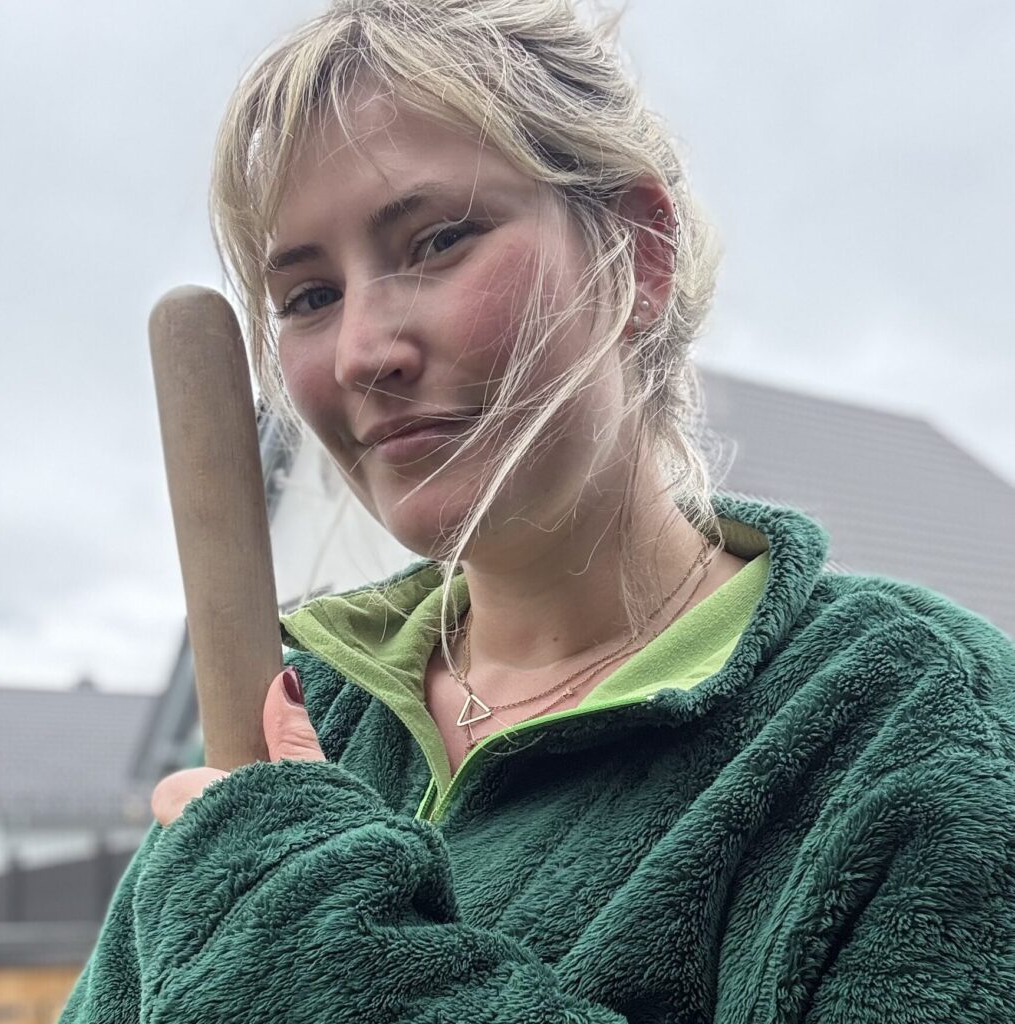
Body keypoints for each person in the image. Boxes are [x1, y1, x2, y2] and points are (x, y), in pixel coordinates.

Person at [62, 1, 1014, 1021]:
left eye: (435, 240)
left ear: (637, 256)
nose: (357, 353)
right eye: (305, 297)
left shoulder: (898, 721)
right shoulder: (298, 716)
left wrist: (320, 950)